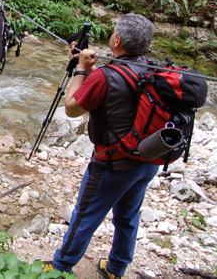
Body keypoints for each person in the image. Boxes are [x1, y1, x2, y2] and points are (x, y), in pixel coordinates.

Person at [45, 14, 159, 279]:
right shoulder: (151, 70)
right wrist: (86, 65)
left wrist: (82, 70)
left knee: (85, 214)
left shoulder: (106, 76)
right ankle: (116, 268)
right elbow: (119, 88)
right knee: (128, 215)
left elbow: (72, 108)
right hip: (147, 159)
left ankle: (61, 267)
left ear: (117, 39)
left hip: (113, 163)